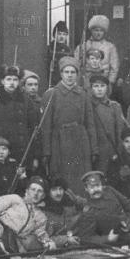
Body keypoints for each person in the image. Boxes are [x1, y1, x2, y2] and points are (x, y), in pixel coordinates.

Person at [40, 56, 99, 196]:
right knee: (61, 175)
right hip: (59, 142)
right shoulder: (52, 94)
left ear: (77, 75)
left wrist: (94, 148)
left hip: (80, 141)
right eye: (66, 72)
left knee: (81, 177)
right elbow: (46, 126)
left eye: (73, 72)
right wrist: (46, 151)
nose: (70, 75)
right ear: (61, 74)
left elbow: (90, 123)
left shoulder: (83, 94)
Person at [0, 65, 40, 171]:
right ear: (2, 81)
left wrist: (35, 156)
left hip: (21, 154)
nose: (12, 82)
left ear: (19, 82)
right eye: (8, 79)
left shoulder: (26, 102)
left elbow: (33, 130)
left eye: (15, 79)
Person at [0, 176, 57, 254]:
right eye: (33, 189)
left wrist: (47, 242)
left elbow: (40, 233)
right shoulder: (15, 199)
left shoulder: (41, 217)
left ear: (43, 196)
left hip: (9, 242)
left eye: (40, 191)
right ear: (27, 191)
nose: (35, 193)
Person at [73, 15, 120, 90]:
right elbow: (76, 65)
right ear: (91, 31)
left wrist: (110, 83)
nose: (98, 33)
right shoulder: (83, 46)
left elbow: (114, 68)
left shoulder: (110, 47)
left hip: (103, 83)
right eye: (96, 30)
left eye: (101, 31)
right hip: (87, 83)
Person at [90, 74, 124, 174]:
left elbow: (119, 132)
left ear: (107, 88)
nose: (99, 89)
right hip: (93, 152)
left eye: (102, 86)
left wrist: (118, 152)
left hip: (110, 151)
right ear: (91, 88)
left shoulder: (115, 106)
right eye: (96, 86)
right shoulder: (87, 105)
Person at [41, 177, 84, 249]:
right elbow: (46, 238)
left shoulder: (69, 203)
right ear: (48, 192)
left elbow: (85, 204)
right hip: (56, 250)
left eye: (60, 189)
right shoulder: (44, 211)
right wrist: (66, 239)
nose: (58, 193)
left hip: (77, 245)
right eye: (54, 190)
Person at [47, 21, 73, 87]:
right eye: (59, 34)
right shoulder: (50, 48)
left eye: (64, 34)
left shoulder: (68, 50)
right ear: (54, 35)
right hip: (52, 79)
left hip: (64, 80)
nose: (62, 37)